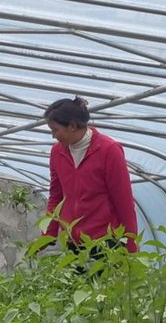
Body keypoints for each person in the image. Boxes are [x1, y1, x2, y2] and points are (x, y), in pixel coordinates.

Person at [43, 96, 138, 252]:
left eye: (55, 130)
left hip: (106, 243)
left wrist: (131, 246)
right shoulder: (57, 152)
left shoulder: (109, 150)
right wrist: (48, 233)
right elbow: (56, 196)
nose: (53, 136)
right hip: (73, 242)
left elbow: (124, 202)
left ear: (72, 126)